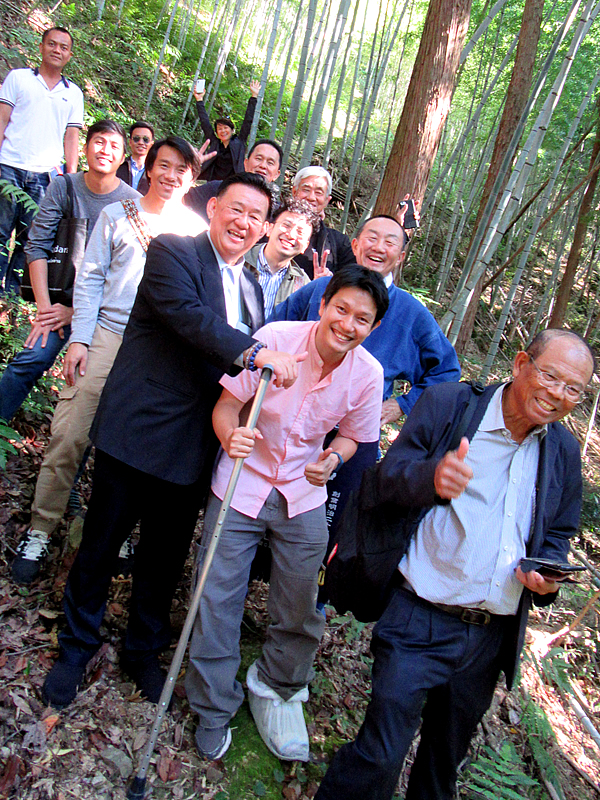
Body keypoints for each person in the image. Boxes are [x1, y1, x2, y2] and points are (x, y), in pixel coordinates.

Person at [40, 172, 304, 709]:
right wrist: (256, 353)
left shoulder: (254, 289)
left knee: (163, 558)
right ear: (213, 210)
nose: (243, 222)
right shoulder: (173, 252)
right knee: (101, 544)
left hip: (197, 443)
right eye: (236, 209)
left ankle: (142, 650)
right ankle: (76, 644)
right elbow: (189, 320)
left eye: (256, 216)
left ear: (264, 229)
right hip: (140, 428)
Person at [315, 329, 595, 800]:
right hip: (418, 616)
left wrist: (546, 574)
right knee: (381, 753)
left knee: (443, 767)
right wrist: (433, 477)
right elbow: (385, 480)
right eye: (550, 376)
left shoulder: (563, 452)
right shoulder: (451, 406)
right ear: (521, 363)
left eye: (573, 389)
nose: (558, 394)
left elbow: (559, 534)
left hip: (490, 636)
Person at [185, 265, 387, 762]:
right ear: (323, 305)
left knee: (301, 599)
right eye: (341, 309)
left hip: (303, 492)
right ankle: (213, 706)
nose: (347, 324)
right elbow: (227, 405)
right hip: (241, 483)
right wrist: (230, 437)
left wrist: (333, 458)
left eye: (362, 319)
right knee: (217, 594)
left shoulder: (368, 374)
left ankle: (278, 684)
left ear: (374, 327)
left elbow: (353, 435)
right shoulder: (275, 338)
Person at [12, 136, 207, 585]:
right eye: (164, 165)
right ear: (149, 168)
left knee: (131, 451)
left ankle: (114, 532)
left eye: (181, 169)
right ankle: (41, 527)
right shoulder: (117, 214)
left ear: (191, 178)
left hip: (159, 352)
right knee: (69, 434)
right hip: (108, 335)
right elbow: (91, 279)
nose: (171, 175)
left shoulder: (197, 232)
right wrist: (80, 339)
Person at [271, 214, 460, 530]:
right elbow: (272, 330)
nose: (379, 247)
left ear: (400, 258)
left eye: (390, 242)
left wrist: (401, 405)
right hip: (291, 416)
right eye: (372, 237)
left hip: (353, 432)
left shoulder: (412, 314)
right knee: (270, 496)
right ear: (356, 245)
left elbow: (446, 371)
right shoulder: (321, 290)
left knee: (327, 522)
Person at [0, 119, 140, 423]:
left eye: (114, 145)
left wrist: (77, 312)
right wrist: (46, 311)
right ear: (86, 147)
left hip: (104, 312)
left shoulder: (132, 204)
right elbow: (36, 246)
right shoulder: (64, 187)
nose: (105, 150)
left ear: (123, 157)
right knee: (30, 359)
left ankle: (70, 453)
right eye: (99, 142)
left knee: (90, 386)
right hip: (57, 299)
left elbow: (127, 275)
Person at [0, 27, 84, 294]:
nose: (56, 50)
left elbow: (71, 137)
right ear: (41, 46)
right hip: (8, 166)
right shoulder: (18, 78)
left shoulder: (73, 93)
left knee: (30, 240)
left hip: (45, 176)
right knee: (0, 234)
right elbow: (2, 119)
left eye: (63, 47)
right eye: (52, 44)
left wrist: (71, 179)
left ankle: (12, 299)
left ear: (69, 54)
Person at [245, 198, 320, 318]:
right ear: (269, 228)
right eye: (286, 225)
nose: (290, 235)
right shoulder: (239, 258)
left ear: (305, 247)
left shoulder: (302, 284)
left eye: (300, 232)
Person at [185, 138, 283, 222]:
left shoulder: (279, 214)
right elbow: (178, 200)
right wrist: (190, 170)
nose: (263, 166)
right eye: (258, 158)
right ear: (246, 163)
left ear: (277, 174)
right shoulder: (216, 189)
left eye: (270, 163)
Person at [290, 166, 355, 279]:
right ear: (294, 192)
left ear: (327, 200)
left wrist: (327, 282)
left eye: (319, 193)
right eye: (306, 190)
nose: (311, 197)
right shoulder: (275, 227)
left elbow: (351, 281)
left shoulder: (340, 243)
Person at [193, 80, 260, 182]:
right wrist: (199, 100)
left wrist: (254, 96)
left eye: (225, 128)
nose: (222, 131)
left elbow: (248, 120)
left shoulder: (239, 142)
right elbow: (204, 122)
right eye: (219, 129)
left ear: (232, 130)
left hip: (232, 186)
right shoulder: (215, 143)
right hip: (213, 185)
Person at [116, 121, 154, 194]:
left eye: (146, 140)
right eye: (136, 139)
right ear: (130, 142)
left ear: (151, 144)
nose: (141, 142)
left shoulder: (155, 169)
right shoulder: (118, 165)